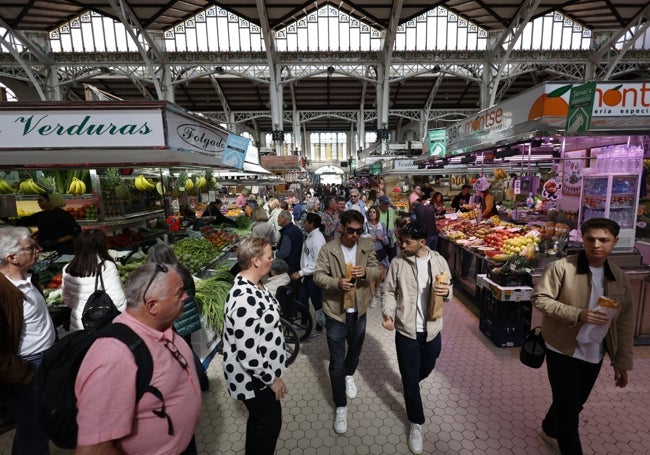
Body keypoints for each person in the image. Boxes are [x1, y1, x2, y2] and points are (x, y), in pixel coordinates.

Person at [74, 262, 201, 454]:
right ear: (152, 305)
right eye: (179, 293)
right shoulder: (114, 357)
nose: (186, 297)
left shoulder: (161, 325)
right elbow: (93, 450)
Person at [531, 218, 634, 455]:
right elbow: (540, 299)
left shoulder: (620, 278)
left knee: (575, 403)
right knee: (569, 411)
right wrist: (578, 314)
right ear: (582, 239)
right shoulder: (562, 268)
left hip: (594, 351)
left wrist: (621, 362)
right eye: (590, 239)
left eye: (604, 240)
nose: (596, 245)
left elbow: (624, 323)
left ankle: (548, 427)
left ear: (615, 242)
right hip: (561, 347)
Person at [381, 222, 452, 454]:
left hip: (432, 328)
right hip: (406, 330)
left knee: (428, 365)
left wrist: (447, 292)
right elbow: (389, 291)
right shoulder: (398, 262)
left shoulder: (439, 260)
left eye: (407, 241)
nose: (402, 245)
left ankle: (412, 383)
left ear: (422, 242)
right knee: (410, 381)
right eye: (402, 240)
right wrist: (388, 313)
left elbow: (448, 289)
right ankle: (416, 423)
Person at [314, 210, 380, 434]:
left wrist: (366, 272)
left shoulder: (366, 245)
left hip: (359, 310)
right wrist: (336, 282)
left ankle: (350, 375)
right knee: (336, 360)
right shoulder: (328, 249)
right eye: (350, 230)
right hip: (336, 312)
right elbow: (318, 275)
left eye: (358, 231)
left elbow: (377, 270)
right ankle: (340, 405)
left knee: (355, 350)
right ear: (342, 227)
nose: (354, 235)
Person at [222, 236, 287, 455]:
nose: (273, 260)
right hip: (256, 379)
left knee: (261, 423)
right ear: (256, 261)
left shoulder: (256, 285)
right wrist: (272, 381)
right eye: (270, 256)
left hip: (261, 374)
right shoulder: (243, 298)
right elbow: (248, 355)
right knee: (268, 424)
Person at [0, 226, 56, 455]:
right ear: (11, 257)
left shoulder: (27, 280)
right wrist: (25, 374)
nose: (38, 250)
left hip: (43, 363)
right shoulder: (3, 293)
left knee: (39, 425)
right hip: (29, 367)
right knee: (34, 429)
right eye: (31, 247)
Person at [146, 243, 210, 392]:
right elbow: (192, 293)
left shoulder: (159, 278)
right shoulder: (182, 271)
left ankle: (199, 382)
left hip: (175, 321)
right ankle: (199, 381)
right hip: (188, 318)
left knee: (184, 352)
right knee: (188, 348)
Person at [62, 229, 127, 332]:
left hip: (79, 324)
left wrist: (82, 307)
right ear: (102, 245)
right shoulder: (106, 266)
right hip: (103, 324)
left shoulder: (67, 268)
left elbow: (66, 299)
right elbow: (119, 301)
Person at [291, 212, 327, 337]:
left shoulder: (317, 240)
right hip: (307, 276)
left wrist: (300, 273)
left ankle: (319, 327)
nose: (304, 224)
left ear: (312, 224)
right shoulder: (311, 236)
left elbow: (317, 263)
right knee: (302, 300)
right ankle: (304, 322)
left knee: (317, 304)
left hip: (314, 277)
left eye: (306, 222)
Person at [13, 192, 81, 254]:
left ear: (50, 201)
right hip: (46, 251)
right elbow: (21, 222)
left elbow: (75, 233)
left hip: (64, 251)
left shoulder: (64, 215)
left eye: (41, 200)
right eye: (38, 201)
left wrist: (57, 241)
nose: (38, 203)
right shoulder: (40, 215)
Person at [364, 206, 390, 308]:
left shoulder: (382, 225)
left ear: (377, 214)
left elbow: (387, 242)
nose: (371, 214)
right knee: (371, 277)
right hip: (370, 254)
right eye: (370, 212)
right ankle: (372, 298)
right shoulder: (366, 226)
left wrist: (381, 238)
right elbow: (363, 239)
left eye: (374, 212)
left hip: (381, 253)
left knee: (381, 276)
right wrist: (369, 239)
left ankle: (377, 288)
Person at [275, 210, 304, 280]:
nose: (277, 220)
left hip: (289, 265)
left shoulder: (287, 233)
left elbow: (284, 253)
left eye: (279, 218)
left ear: (286, 219)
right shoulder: (296, 229)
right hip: (297, 262)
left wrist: (275, 254)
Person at [377, 195, 397, 260]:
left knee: (393, 259)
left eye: (387, 204)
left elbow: (394, 224)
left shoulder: (391, 210)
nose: (386, 205)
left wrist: (397, 237)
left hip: (392, 240)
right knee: (382, 261)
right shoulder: (375, 212)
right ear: (379, 204)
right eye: (384, 204)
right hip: (381, 241)